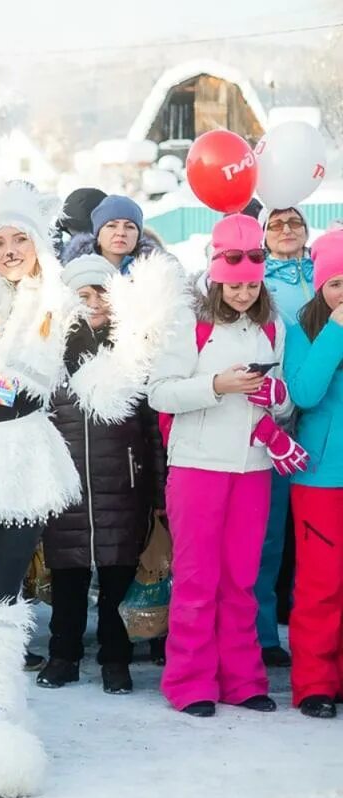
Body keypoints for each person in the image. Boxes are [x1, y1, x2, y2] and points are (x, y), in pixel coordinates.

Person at [0, 181, 180, 796]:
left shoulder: (59, 309)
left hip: (23, 465)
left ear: (39, 245)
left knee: (0, 598)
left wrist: (139, 336)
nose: (9, 249)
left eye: (20, 237)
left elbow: (104, 393)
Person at [147, 213, 299, 718]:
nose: (243, 294)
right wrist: (217, 386)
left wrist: (277, 397)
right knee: (197, 577)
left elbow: (282, 405)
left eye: (252, 285)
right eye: (234, 285)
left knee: (242, 577)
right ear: (215, 276)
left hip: (253, 467)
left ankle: (243, 678)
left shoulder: (272, 325)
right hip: (197, 466)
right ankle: (189, 680)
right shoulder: (190, 324)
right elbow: (159, 392)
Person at [38, 254, 164, 695]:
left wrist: (159, 489)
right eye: (82, 295)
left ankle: (116, 659)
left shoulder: (135, 348)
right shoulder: (47, 348)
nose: (93, 303)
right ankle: (63, 655)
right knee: (68, 574)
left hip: (123, 484)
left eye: (101, 294)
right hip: (64, 482)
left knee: (117, 576)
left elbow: (152, 426)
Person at [282, 229, 343, 718]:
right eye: (336, 283)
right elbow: (303, 393)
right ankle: (314, 683)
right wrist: (336, 331)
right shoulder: (304, 331)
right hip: (321, 477)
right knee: (321, 584)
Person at [254, 206, 314, 668]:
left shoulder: (327, 273)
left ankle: (313, 630)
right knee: (268, 537)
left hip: (322, 422)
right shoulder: (253, 281)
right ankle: (262, 633)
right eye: (276, 224)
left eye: (294, 222)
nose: (287, 231)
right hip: (271, 420)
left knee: (317, 538)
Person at [60, 195, 168, 271]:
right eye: (111, 226)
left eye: (129, 227)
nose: (121, 233)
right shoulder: (74, 274)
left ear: (138, 236)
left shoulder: (159, 270)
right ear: (97, 235)